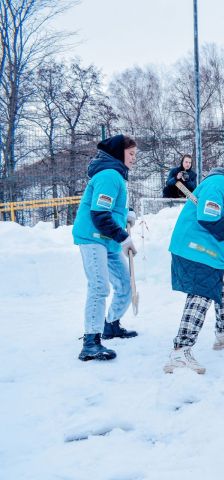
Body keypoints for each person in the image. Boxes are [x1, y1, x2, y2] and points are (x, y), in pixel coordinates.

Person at [163, 145, 224, 374]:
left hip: (211, 253)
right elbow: (208, 218)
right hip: (194, 248)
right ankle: (180, 351)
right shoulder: (217, 183)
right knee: (201, 294)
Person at [72, 135, 139, 362]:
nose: (133, 159)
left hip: (107, 239)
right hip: (92, 237)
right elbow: (99, 214)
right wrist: (123, 237)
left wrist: (124, 215)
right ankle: (90, 342)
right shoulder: (109, 175)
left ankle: (110, 324)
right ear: (119, 153)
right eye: (131, 154)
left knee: (124, 284)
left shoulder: (116, 175)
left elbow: (109, 208)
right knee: (99, 286)